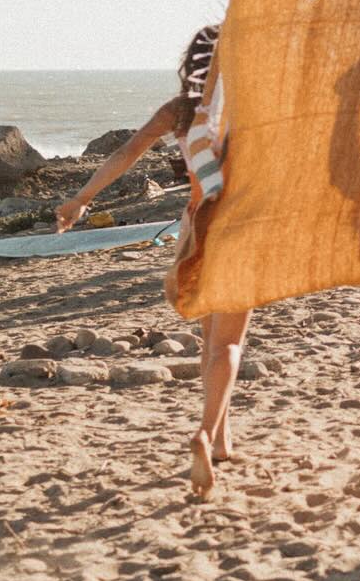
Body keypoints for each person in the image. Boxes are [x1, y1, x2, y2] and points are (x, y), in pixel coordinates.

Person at [55, 26, 246, 501]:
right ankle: (207, 433)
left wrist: (81, 199)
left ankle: (221, 438)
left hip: (196, 229)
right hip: (242, 231)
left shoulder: (180, 112)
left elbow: (126, 153)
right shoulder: (257, 112)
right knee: (229, 344)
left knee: (208, 338)